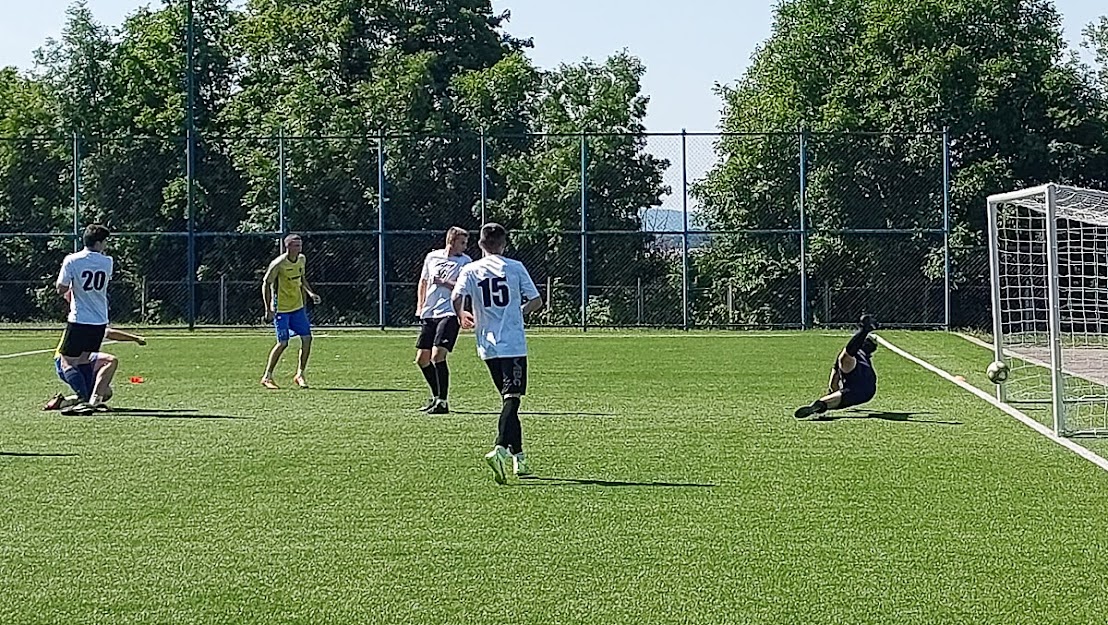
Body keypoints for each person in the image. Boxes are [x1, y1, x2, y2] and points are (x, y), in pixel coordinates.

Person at [451, 223, 544, 484]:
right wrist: (519, 312)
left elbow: (456, 297)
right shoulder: (514, 267)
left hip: (487, 345)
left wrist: (461, 314)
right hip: (512, 343)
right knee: (512, 399)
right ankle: (500, 448)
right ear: (504, 244)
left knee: (508, 401)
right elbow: (536, 300)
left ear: (480, 245)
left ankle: (520, 459)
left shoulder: (470, 270)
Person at [55, 224, 114, 411]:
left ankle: (83, 398)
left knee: (67, 361)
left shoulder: (72, 260)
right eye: (104, 242)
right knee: (84, 360)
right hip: (100, 320)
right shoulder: (107, 262)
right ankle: (89, 398)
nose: (105, 245)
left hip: (79, 318)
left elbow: (61, 288)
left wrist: (72, 288)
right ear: (98, 243)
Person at [414, 227, 472, 414]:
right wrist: (420, 306)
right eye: (462, 242)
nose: (465, 246)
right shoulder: (432, 257)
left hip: (450, 312)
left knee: (437, 355)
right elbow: (423, 281)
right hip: (429, 313)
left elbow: (466, 288)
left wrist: (444, 283)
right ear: (451, 241)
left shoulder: (466, 262)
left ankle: (443, 402)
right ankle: (436, 396)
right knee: (422, 359)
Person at [261, 234, 320, 389]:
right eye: (295, 245)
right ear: (287, 247)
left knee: (307, 338)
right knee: (283, 343)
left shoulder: (301, 259)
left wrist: (310, 293)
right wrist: (268, 309)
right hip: (281, 308)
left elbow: (302, 278)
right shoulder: (278, 264)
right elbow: (266, 284)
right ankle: (267, 376)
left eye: (300, 245)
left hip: (297, 307)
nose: (299, 248)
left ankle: (300, 374)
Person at [794, 314, 879, 420]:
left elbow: (833, 382)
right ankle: (820, 404)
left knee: (845, 357)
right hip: (868, 391)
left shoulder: (857, 353)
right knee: (846, 360)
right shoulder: (866, 359)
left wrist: (835, 390)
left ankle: (821, 403)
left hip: (852, 382)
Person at [45, 327, 146, 413]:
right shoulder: (84, 322)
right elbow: (109, 333)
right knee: (110, 361)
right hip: (68, 364)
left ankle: (64, 402)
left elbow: (108, 333)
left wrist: (135, 339)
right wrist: (136, 338)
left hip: (70, 363)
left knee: (106, 393)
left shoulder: (84, 321)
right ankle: (95, 402)